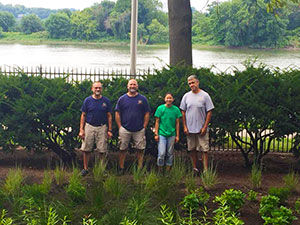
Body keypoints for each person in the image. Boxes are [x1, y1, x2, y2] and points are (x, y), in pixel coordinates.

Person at [180, 75, 214, 173]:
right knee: (192, 149)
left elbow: (209, 111)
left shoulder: (205, 95)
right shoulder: (186, 96)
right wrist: (185, 126)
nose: (191, 85)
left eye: (193, 82)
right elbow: (183, 111)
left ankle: (205, 170)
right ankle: (195, 168)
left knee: (204, 149)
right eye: (190, 83)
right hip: (190, 129)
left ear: (197, 82)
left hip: (201, 129)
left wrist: (205, 126)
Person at [115, 79, 150, 173]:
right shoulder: (122, 99)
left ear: (137, 86)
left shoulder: (143, 99)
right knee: (122, 149)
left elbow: (147, 113)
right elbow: (117, 113)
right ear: (127, 86)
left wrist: (144, 126)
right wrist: (120, 127)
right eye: (131, 84)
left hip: (139, 129)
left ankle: (140, 168)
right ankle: (121, 168)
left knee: (140, 149)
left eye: (134, 84)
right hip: (125, 129)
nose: (132, 86)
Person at [78, 81, 112, 176]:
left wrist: (109, 130)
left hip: (102, 127)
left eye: (99, 88)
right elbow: (83, 115)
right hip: (89, 126)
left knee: (102, 150)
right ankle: (85, 169)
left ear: (102, 89)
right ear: (92, 89)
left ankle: (101, 169)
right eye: (96, 88)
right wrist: (81, 129)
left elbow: (109, 116)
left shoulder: (106, 101)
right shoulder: (87, 100)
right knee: (86, 149)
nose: (97, 89)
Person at [154, 93, 182, 172]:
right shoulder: (160, 108)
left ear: (173, 99)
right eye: (167, 98)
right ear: (164, 99)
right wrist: (156, 134)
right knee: (161, 153)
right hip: (162, 134)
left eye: (170, 98)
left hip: (172, 134)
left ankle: (167, 172)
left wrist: (177, 135)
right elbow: (157, 122)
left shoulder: (176, 110)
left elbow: (177, 123)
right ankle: (160, 170)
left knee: (170, 153)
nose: (169, 100)